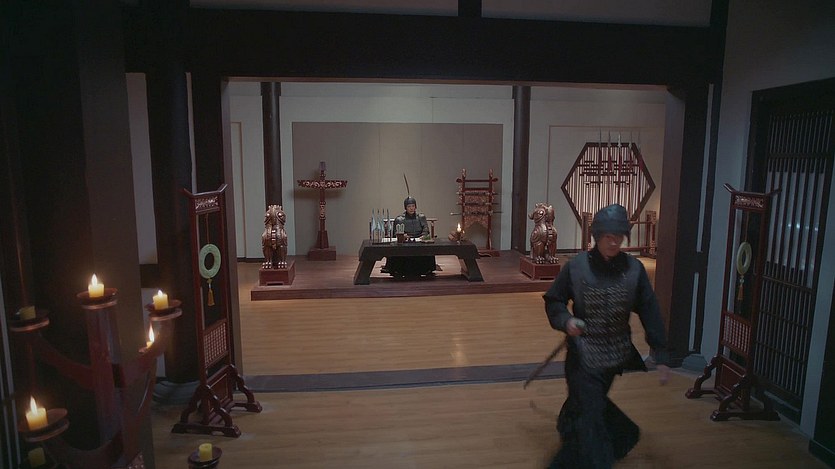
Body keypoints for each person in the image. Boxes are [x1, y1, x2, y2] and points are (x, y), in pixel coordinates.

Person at [542, 203, 671, 468]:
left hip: (615, 353)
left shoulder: (634, 270)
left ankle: (618, 433)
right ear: (597, 236)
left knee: (589, 404)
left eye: (619, 237)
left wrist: (661, 353)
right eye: (608, 237)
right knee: (590, 412)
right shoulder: (576, 268)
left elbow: (649, 310)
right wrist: (566, 321)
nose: (613, 243)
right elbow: (554, 300)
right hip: (582, 355)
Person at [381, 196, 436, 277]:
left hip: (419, 240)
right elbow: (396, 234)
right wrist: (403, 236)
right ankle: (399, 270)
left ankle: (426, 269)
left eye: (413, 206)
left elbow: (426, 230)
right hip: (405, 242)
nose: (411, 208)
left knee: (428, 248)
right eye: (409, 206)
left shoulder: (421, 217)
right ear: (405, 208)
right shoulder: (400, 219)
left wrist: (423, 236)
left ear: (415, 207)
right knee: (399, 250)